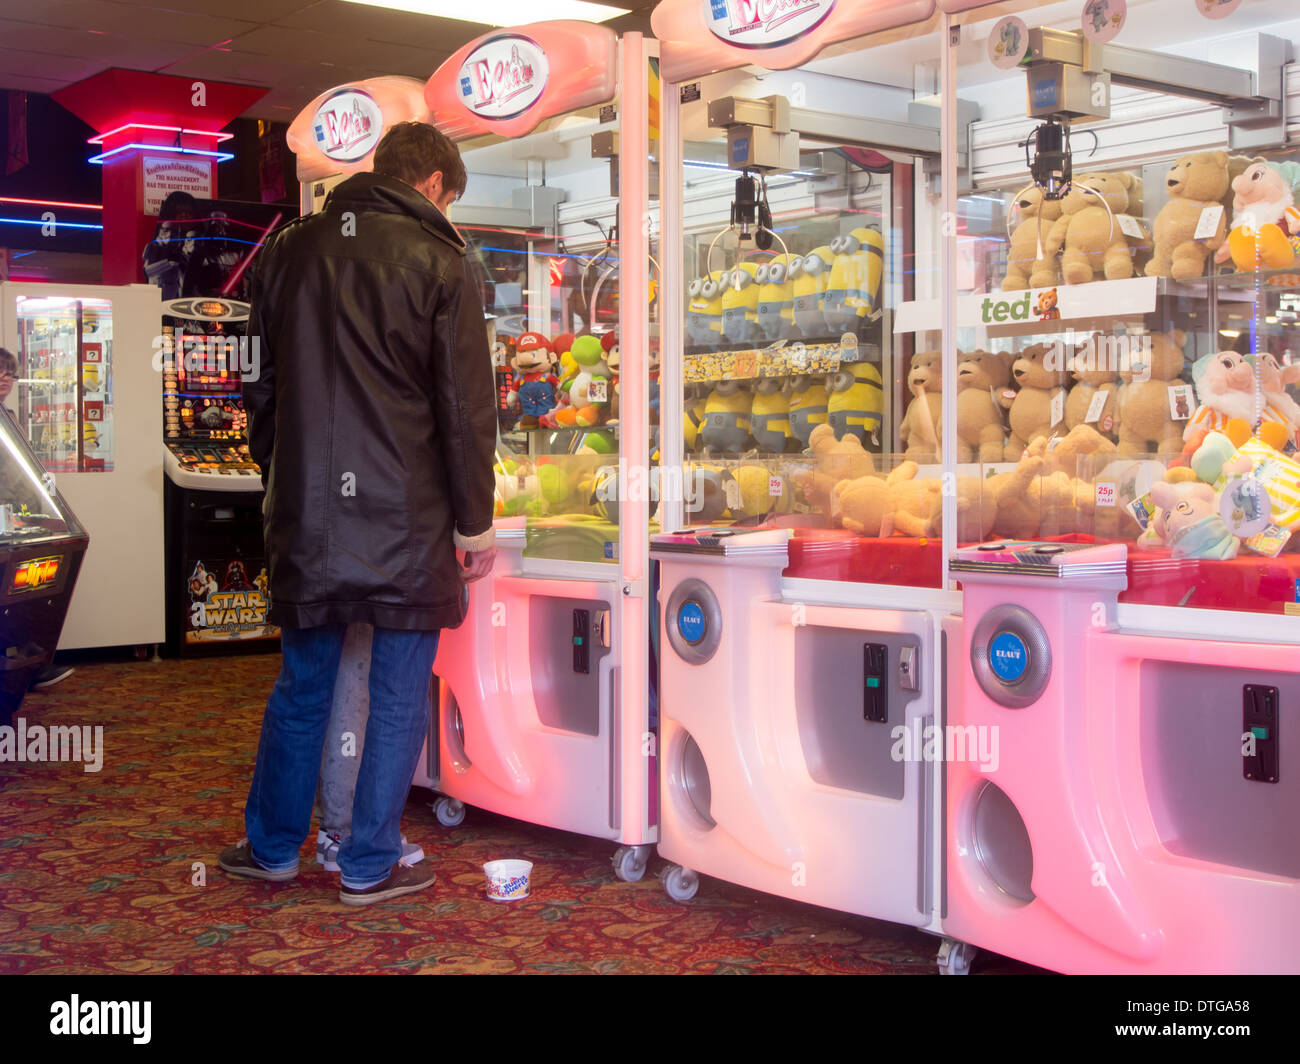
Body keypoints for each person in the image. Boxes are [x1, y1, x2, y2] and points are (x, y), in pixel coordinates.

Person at [220, 122, 497, 906]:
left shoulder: (284, 252)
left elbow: (258, 388)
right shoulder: (443, 262)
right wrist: (472, 523)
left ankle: (273, 848)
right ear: (436, 184)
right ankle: (369, 863)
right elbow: (464, 410)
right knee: (401, 691)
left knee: (303, 683)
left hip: (307, 511)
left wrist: (283, 476)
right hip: (408, 520)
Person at [0, 347, 76, 692]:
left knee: (24, 590)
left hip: (14, 516)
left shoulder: (9, 416)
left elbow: (22, 471)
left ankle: (27, 663)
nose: (6, 380)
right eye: (0, 372)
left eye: (11, 374)